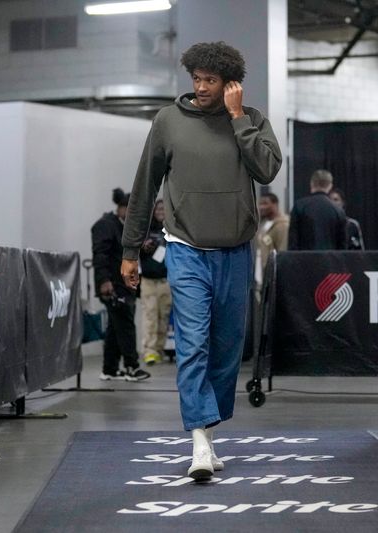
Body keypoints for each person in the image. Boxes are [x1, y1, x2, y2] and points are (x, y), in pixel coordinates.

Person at [120, 41, 281, 480]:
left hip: (234, 252)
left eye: (211, 80)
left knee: (227, 350)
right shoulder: (167, 121)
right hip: (186, 250)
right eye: (197, 78)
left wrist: (238, 118)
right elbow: (144, 187)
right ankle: (199, 445)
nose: (201, 87)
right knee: (192, 345)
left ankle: (209, 433)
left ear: (231, 83)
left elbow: (267, 171)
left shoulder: (251, 120)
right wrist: (129, 249)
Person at [91, 188, 151, 382]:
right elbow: (100, 254)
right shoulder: (105, 225)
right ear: (122, 208)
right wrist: (104, 281)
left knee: (116, 327)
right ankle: (132, 367)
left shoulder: (123, 226)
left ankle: (109, 369)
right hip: (113, 285)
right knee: (125, 325)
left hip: (124, 284)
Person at [139, 199, 171, 365]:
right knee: (150, 315)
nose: (161, 211)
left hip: (166, 280)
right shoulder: (146, 231)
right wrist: (144, 247)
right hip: (149, 280)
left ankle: (159, 348)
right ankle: (149, 351)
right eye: (158, 208)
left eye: (164, 209)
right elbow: (137, 250)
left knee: (163, 316)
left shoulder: (172, 231)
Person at [288, 169, 348, 250]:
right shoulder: (338, 210)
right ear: (330, 186)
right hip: (329, 260)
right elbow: (342, 245)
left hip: (304, 260)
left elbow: (293, 241)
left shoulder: (299, 206)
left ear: (311, 183)